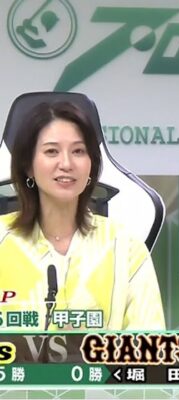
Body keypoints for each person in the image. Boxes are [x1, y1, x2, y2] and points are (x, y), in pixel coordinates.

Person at [0, 100, 165, 331]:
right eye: (51, 151)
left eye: (78, 151)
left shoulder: (124, 246)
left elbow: (150, 340)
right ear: (28, 166)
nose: (66, 164)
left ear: (91, 165)